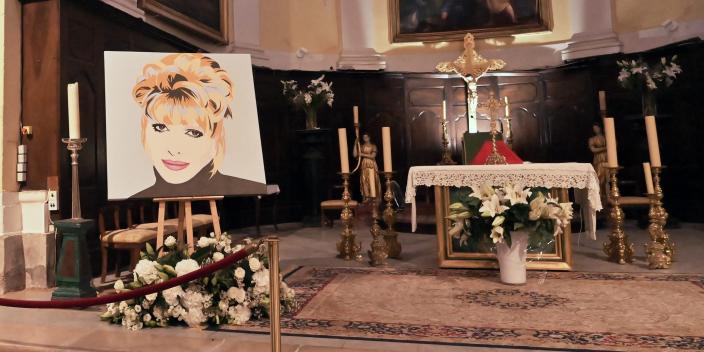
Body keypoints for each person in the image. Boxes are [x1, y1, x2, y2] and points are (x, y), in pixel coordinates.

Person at [129, 53, 266, 198]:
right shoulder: (135, 198)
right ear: (144, 129)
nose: (174, 150)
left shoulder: (248, 188)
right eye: (161, 127)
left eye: (193, 132)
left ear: (216, 137)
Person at [353, 133, 382, 203]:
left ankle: (374, 197)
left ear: (369, 137)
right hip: (364, 165)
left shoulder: (373, 146)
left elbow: (373, 156)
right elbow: (355, 155)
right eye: (363, 137)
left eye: (366, 137)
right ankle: (367, 197)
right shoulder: (361, 146)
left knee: (372, 180)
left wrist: (362, 154)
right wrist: (355, 144)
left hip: (371, 165)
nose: (365, 139)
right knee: (364, 180)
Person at [588, 122, 608, 200]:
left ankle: (608, 194)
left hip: (607, 158)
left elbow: (613, 145)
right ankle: (600, 195)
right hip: (599, 160)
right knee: (600, 177)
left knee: (608, 177)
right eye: (594, 128)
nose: (595, 129)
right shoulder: (592, 139)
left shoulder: (607, 137)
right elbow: (593, 149)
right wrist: (605, 148)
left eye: (597, 128)